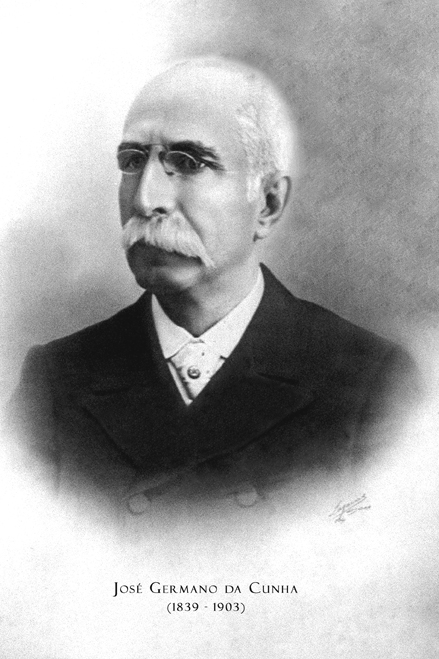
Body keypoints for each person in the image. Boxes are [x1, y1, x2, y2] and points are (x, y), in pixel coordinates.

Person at [7, 57, 416, 515]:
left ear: (268, 204)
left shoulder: (370, 383)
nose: (145, 199)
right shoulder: (55, 381)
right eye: (132, 161)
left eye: (188, 162)